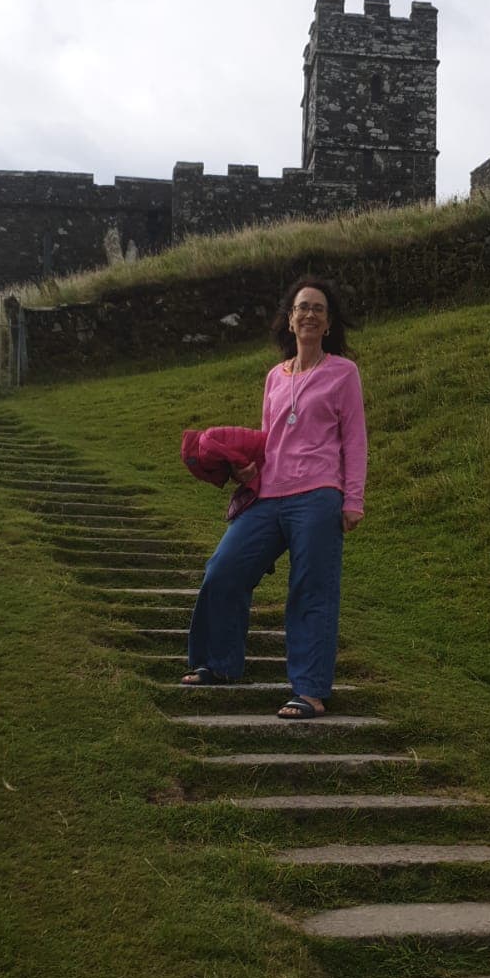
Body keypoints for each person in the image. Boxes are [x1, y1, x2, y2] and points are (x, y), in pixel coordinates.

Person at [182, 278, 367, 718]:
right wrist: (248, 468)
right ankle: (221, 663)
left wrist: (352, 500)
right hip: (267, 493)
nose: (309, 314)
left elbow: (354, 440)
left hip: (319, 495)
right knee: (223, 570)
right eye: (302, 307)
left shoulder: (343, 372)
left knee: (312, 589)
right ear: (289, 319)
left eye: (319, 308)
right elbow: (269, 438)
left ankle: (309, 691)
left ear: (328, 323)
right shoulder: (274, 377)